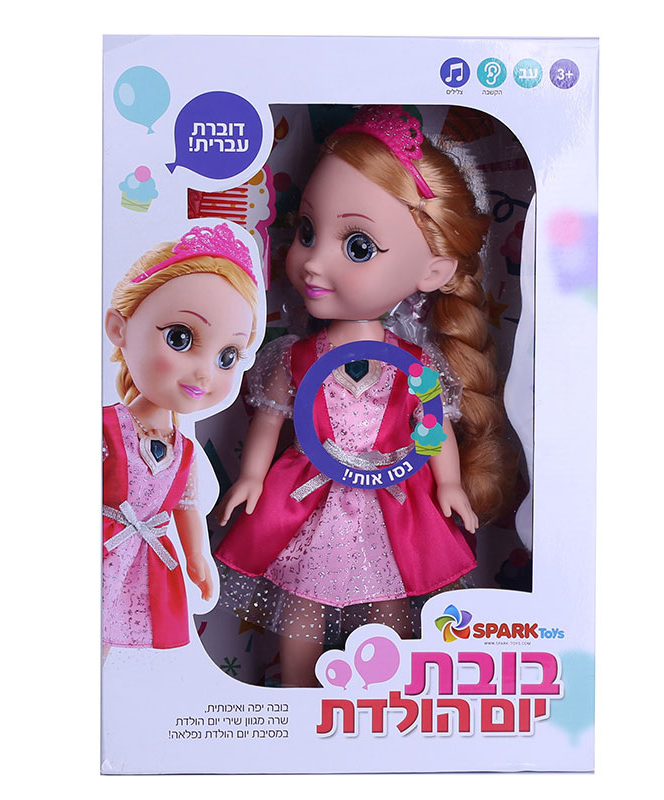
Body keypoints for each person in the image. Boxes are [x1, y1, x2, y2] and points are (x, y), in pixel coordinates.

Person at [215, 106, 510, 686]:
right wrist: (251, 477)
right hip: (309, 495)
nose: (312, 260)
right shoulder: (295, 356)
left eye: (357, 245)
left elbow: (433, 430)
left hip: (393, 497)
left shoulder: (417, 364)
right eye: (306, 231)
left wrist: (449, 483)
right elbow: (269, 422)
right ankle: (297, 696)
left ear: (433, 271)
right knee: (301, 600)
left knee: (390, 603)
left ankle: (383, 697)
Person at [103, 224, 260, 660]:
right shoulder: (106, 426)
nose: (205, 372)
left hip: (144, 561)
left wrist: (196, 558)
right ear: (118, 328)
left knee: (112, 645)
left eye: (227, 356)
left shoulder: (184, 450)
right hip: (101, 548)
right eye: (180, 338)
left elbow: (184, 507)